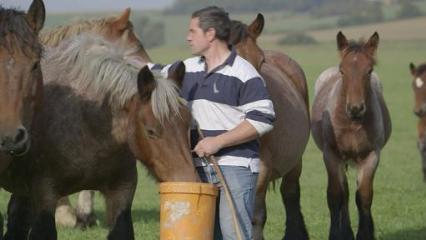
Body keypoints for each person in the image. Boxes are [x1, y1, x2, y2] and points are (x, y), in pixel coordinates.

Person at [151, 6, 275, 239]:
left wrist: (218, 141)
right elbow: (153, 71)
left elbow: (264, 118)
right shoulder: (187, 68)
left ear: (210, 34)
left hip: (235, 168)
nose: (187, 37)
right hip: (198, 169)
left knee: (233, 235)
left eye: (192, 31)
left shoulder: (244, 72)